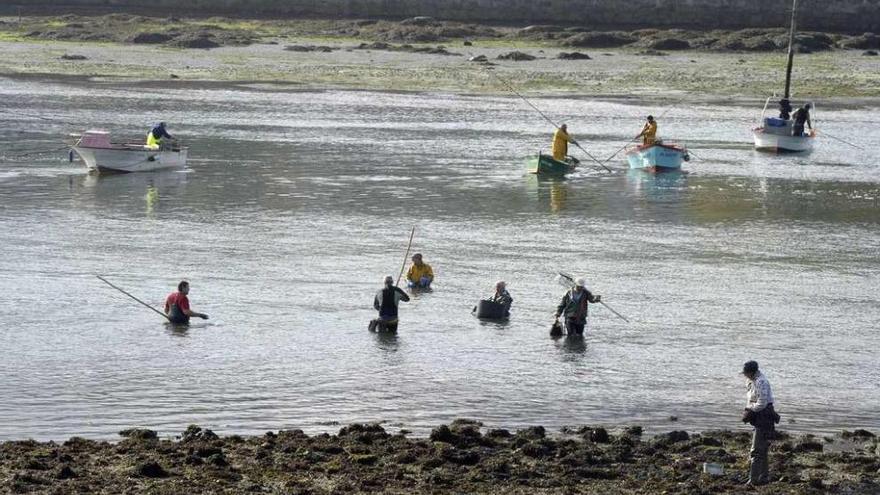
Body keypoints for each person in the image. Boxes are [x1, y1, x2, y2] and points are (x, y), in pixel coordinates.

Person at [740, 360, 780, 487]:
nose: (745, 375)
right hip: (758, 416)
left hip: (764, 417)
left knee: (756, 450)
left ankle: (754, 479)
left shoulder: (761, 382)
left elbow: (762, 403)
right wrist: (749, 408)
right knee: (762, 449)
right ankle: (764, 476)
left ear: (752, 372)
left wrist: (751, 410)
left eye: (746, 373)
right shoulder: (751, 381)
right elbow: (752, 399)